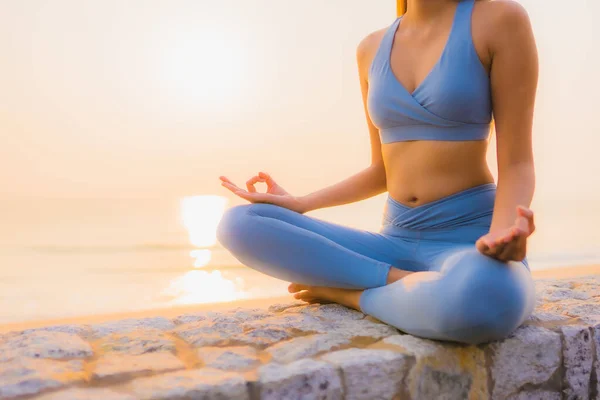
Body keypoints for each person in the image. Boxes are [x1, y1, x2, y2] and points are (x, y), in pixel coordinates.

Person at [216, 0, 538, 345]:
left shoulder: (499, 20)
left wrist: (502, 234)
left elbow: (517, 162)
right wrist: (301, 203)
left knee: (486, 299)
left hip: (468, 240)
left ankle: (350, 295)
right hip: (394, 240)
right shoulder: (371, 48)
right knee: (239, 224)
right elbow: (381, 170)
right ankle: (407, 284)